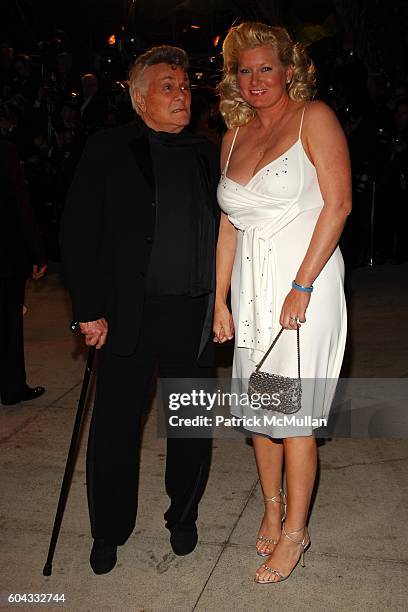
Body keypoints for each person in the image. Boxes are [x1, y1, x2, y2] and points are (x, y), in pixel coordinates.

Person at [60, 45, 220, 574]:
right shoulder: (108, 148)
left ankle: (184, 516)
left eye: (184, 84)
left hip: (193, 315)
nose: (181, 94)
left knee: (191, 427)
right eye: (167, 85)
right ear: (138, 97)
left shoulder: (208, 152)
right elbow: (78, 232)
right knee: (115, 431)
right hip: (126, 315)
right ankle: (109, 530)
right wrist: (87, 309)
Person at [215, 23, 351, 583]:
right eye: (244, 70)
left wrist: (301, 285)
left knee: (292, 416)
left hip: (304, 286)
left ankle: (296, 533)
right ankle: (272, 508)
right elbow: (228, 223)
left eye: (265, 67)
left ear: (289, 70)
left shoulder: (313, 117)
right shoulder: (232, 135)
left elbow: (338, 205)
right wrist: (220, 300)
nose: (254, 80)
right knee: (260, 413)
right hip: (251, 289)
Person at [0, 138, 47, 406]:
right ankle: (12, 387)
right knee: (8, 323)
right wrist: (36, 251)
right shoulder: (4, 147)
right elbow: (19, 200)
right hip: (5, 254)